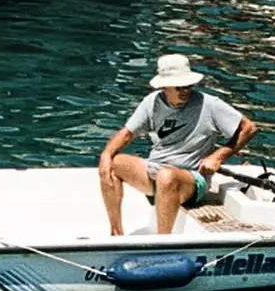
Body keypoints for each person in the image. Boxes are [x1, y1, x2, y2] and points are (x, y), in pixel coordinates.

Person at [99, 53, 257, 237]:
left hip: (191, 179)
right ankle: (116, 233)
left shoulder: (210, 104)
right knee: (112, 163)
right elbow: (127, 133)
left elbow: (249, 128)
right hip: (154, 173)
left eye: (188, 86)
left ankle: (162, 242)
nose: (185, 91)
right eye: (179, 87)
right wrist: (105, 155)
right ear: (164, 86)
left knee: (167, 176)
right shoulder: (152, 102)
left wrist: (218, 156)